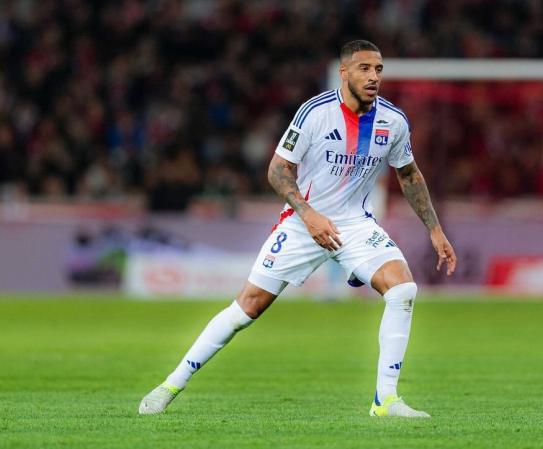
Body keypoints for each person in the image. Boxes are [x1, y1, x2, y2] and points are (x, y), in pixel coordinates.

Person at [139, 40, 457, 418]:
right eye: (364, 68)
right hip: (302, 222)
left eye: (378, 69)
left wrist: (434, 230)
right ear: (344, 72)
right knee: (247, 308)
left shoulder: (394, 121)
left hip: (354, 224)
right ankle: (171, 384)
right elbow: (277, 170)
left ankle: (385, 401)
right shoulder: (315, 113)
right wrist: (308, 215)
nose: (373, 77)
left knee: (402, 288)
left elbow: (409, 175)